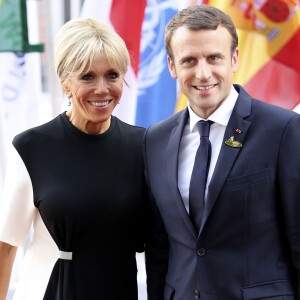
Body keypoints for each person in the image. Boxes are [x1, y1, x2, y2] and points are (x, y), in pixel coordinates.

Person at [144, 4, 300, 300]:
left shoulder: (284, 130)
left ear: (234, 59)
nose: (203, 74)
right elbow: (159, 247)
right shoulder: (155, 139)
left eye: (213, 58)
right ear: (171, 66)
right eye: (189, 60)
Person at [0, 18, 147, 300]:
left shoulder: (144, 145)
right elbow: (5, 246)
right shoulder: (30, 147)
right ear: (65, 82)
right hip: (50, 291)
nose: (102, 89)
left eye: (113, 75)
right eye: (87, 76)